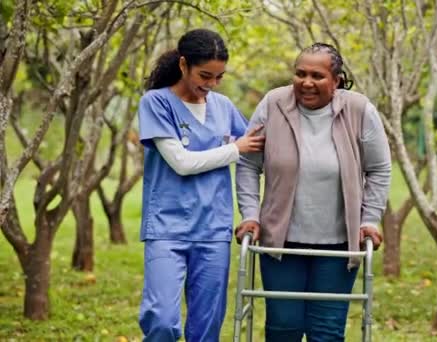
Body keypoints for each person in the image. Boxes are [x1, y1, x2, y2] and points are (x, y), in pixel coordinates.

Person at [235, 43, 391, 342]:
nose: (306, 82)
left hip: (338, 244)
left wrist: (369, 219)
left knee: (327, 332)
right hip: (280, 243)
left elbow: (379, 169)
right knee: (283, 328)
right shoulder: (273, 104)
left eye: (317, 76)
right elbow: (247, 164)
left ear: (337, 80)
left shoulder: (360, 110)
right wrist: (250, 215)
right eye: (300, 73)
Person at [137, 28, 264, 342]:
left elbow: (258, 148)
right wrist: (235, 148)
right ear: (183, 65)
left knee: (207, 326)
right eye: (205, 75)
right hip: (167, 228)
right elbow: (181, 162)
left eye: (219, 77)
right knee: (162, 320)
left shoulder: (223, 107)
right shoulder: (156, 103)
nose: (211, 85)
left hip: (213, 230)